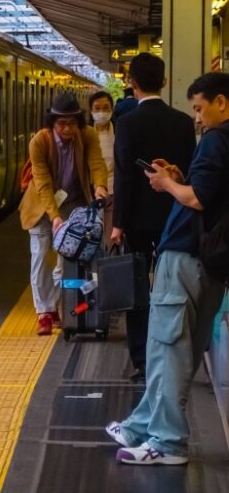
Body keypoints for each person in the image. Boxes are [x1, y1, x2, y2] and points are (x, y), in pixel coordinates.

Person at [108, 72, 229, 466]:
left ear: (221, 102)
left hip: (186, 257)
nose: (197, 117)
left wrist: (166, 184)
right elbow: (210, 193)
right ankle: (141, 425)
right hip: (211, 263)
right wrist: (180, 177)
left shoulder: (217, 139)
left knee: (166, 349)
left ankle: (168, 441)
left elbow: (197, 199)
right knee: (179, 349)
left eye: (199, 108)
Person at [110, 53, 196, 381]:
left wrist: (118, 223)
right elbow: (189, 170)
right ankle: (174, 353)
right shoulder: (183, 122)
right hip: (176, 215)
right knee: (173, 286)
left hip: (135, 220)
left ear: (131, 83)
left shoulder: (128, 123)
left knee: (137, 287)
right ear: (164, 80)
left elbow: (125, 177)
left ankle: (143, 360)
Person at [19, 94, 109, 335]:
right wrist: (55, 216)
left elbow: (96, 163)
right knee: (39, 256)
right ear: (52, 123)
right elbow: (43, 182)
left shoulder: (87, 134)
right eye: (62, 124)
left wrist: (100, 186)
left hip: (74, 203)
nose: (67, 128)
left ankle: (57, 305)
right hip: (41, 205)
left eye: (71, 123)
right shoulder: (39, 141)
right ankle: (44, 312)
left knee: (66, 257)